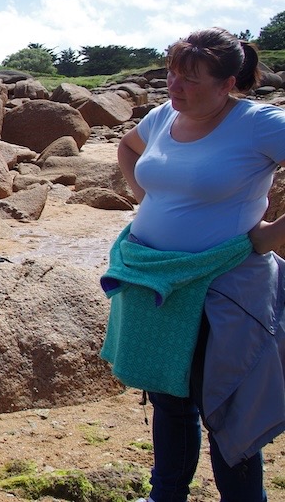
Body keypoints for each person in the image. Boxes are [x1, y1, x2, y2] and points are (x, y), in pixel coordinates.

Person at [104, 27, 285, 502]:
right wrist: (147, 199)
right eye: (172, 74)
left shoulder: (257, 123)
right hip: (156, 278)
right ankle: (166, 496)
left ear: (228, 84)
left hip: (223, 285)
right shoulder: (166, 114)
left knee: (227, 407)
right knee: (169, 398)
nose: (174, 87)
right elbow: (126, 147)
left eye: (190, 79)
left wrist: (269, 235)